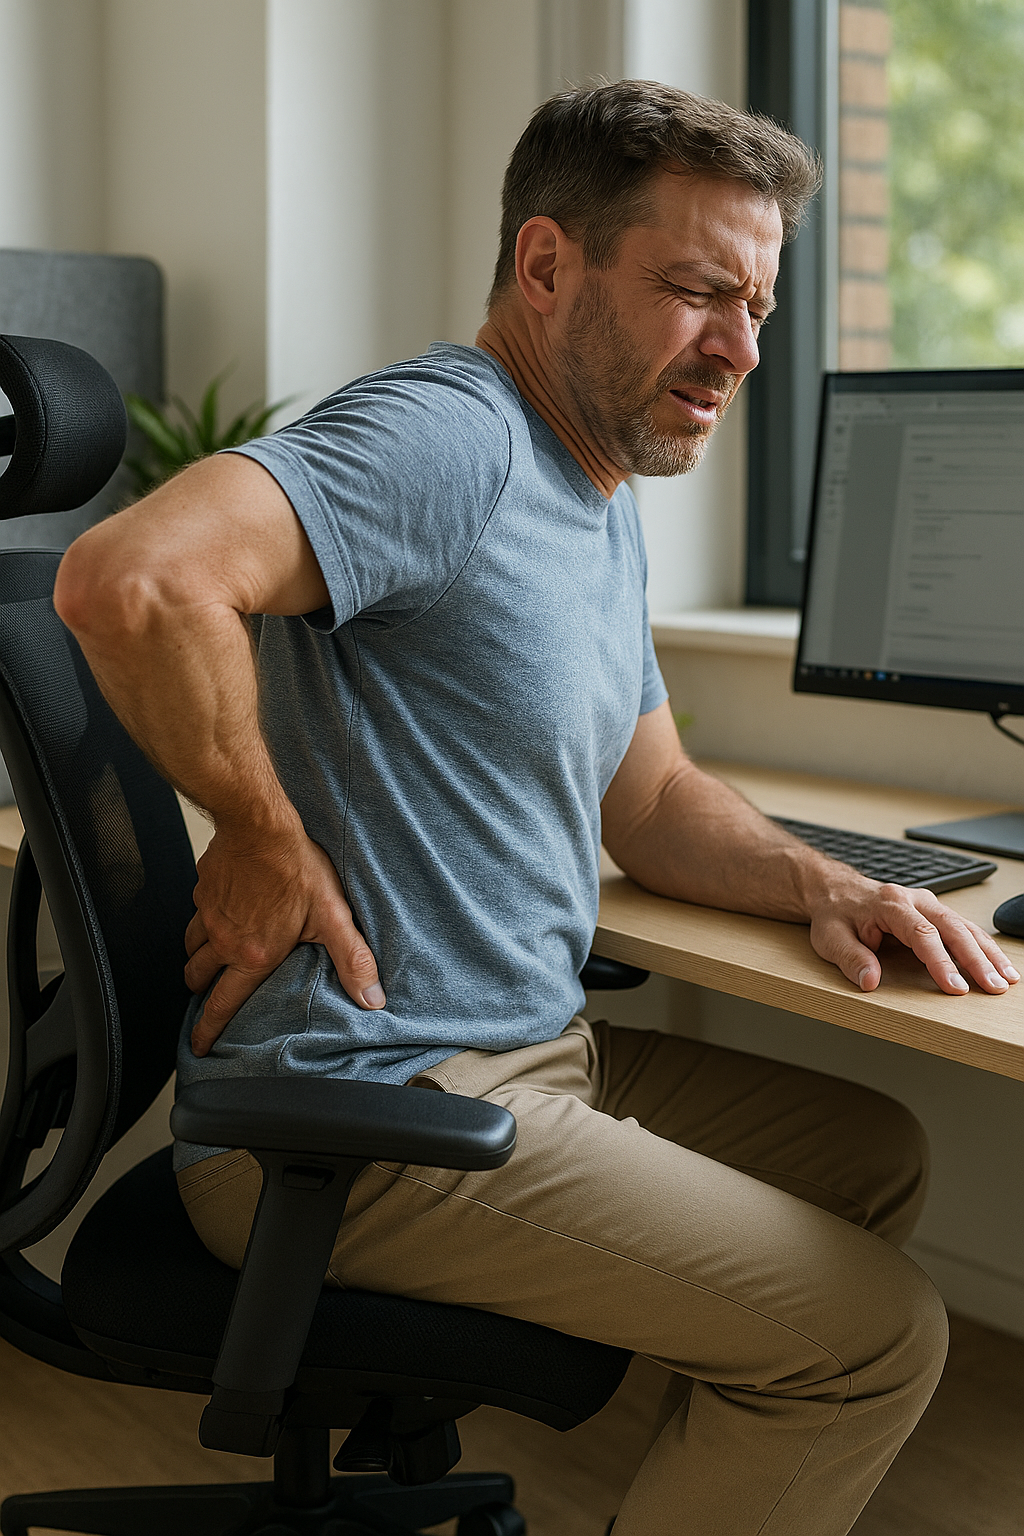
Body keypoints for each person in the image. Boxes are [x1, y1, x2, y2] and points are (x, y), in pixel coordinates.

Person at [55, 81, 1018, 1536]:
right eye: (698, 293)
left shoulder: (595, 481)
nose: (740, 350)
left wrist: (818, 881)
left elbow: (655, 800)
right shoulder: (455, 437)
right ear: (548, 265)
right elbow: (128, 581)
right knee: (876, 1342)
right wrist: (261, 829)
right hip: (356, 1107)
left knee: (876, 1151)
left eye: (756, 306)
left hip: (520, 1049)